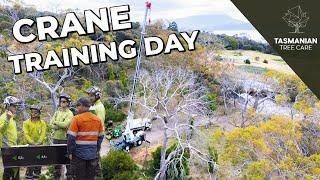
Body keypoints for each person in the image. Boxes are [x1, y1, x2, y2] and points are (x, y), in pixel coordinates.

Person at [67, 98, 104, 180]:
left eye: (77, 106)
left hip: (79, 155)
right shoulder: (97, 120)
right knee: (90, 177)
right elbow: (101, 136)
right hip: (92, 155)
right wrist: (97, 148)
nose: (77, 108)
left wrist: (70, 152)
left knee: (79, 177)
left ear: (82, 106)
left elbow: (71, 138)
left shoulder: (76, 119)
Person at [50, 93, 74, 179]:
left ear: (68, 103)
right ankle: (57, 177)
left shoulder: (70, 113)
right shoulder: (57, 112)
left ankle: (69, 177)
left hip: (65, 139)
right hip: (56, 139)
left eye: (64, 101)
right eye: (60, 101)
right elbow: (51, 124)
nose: (61, 103)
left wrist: (56, 123)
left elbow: (65, 125)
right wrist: (58, 125)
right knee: (57, 161)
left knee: (67, 161)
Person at [86, 86, 105, 179]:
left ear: (97, 96)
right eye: (89, 95)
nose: (90, 97)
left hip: (95, 137)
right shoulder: (93, 106)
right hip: (91, 137)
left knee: (95, 161)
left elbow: (99, 124)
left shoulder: (99, 107)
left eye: (92, 96)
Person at [23, 104, 47, 179]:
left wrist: (39, 142)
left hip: (39, 146)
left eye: (35, 112)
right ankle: (29, 176)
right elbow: (26, 134)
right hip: (29, 146)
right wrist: (32, 143)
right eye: (32, 112)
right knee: (30, 163)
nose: (33, 114)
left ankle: (37, 176)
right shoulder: (26, 122)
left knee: (38, 163)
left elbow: (43, 133)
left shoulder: (42, 123)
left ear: (39, 113)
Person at [0, 96, 21, 180]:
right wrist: (7, 119)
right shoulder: (3, 117)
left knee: (16, 171)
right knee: (8, 172)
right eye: (14, 105)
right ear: (8, 106)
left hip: (14, 147)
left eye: (16, 105)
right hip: (7, 148)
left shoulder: (12, 117)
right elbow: (1, 130)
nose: (16, 107)